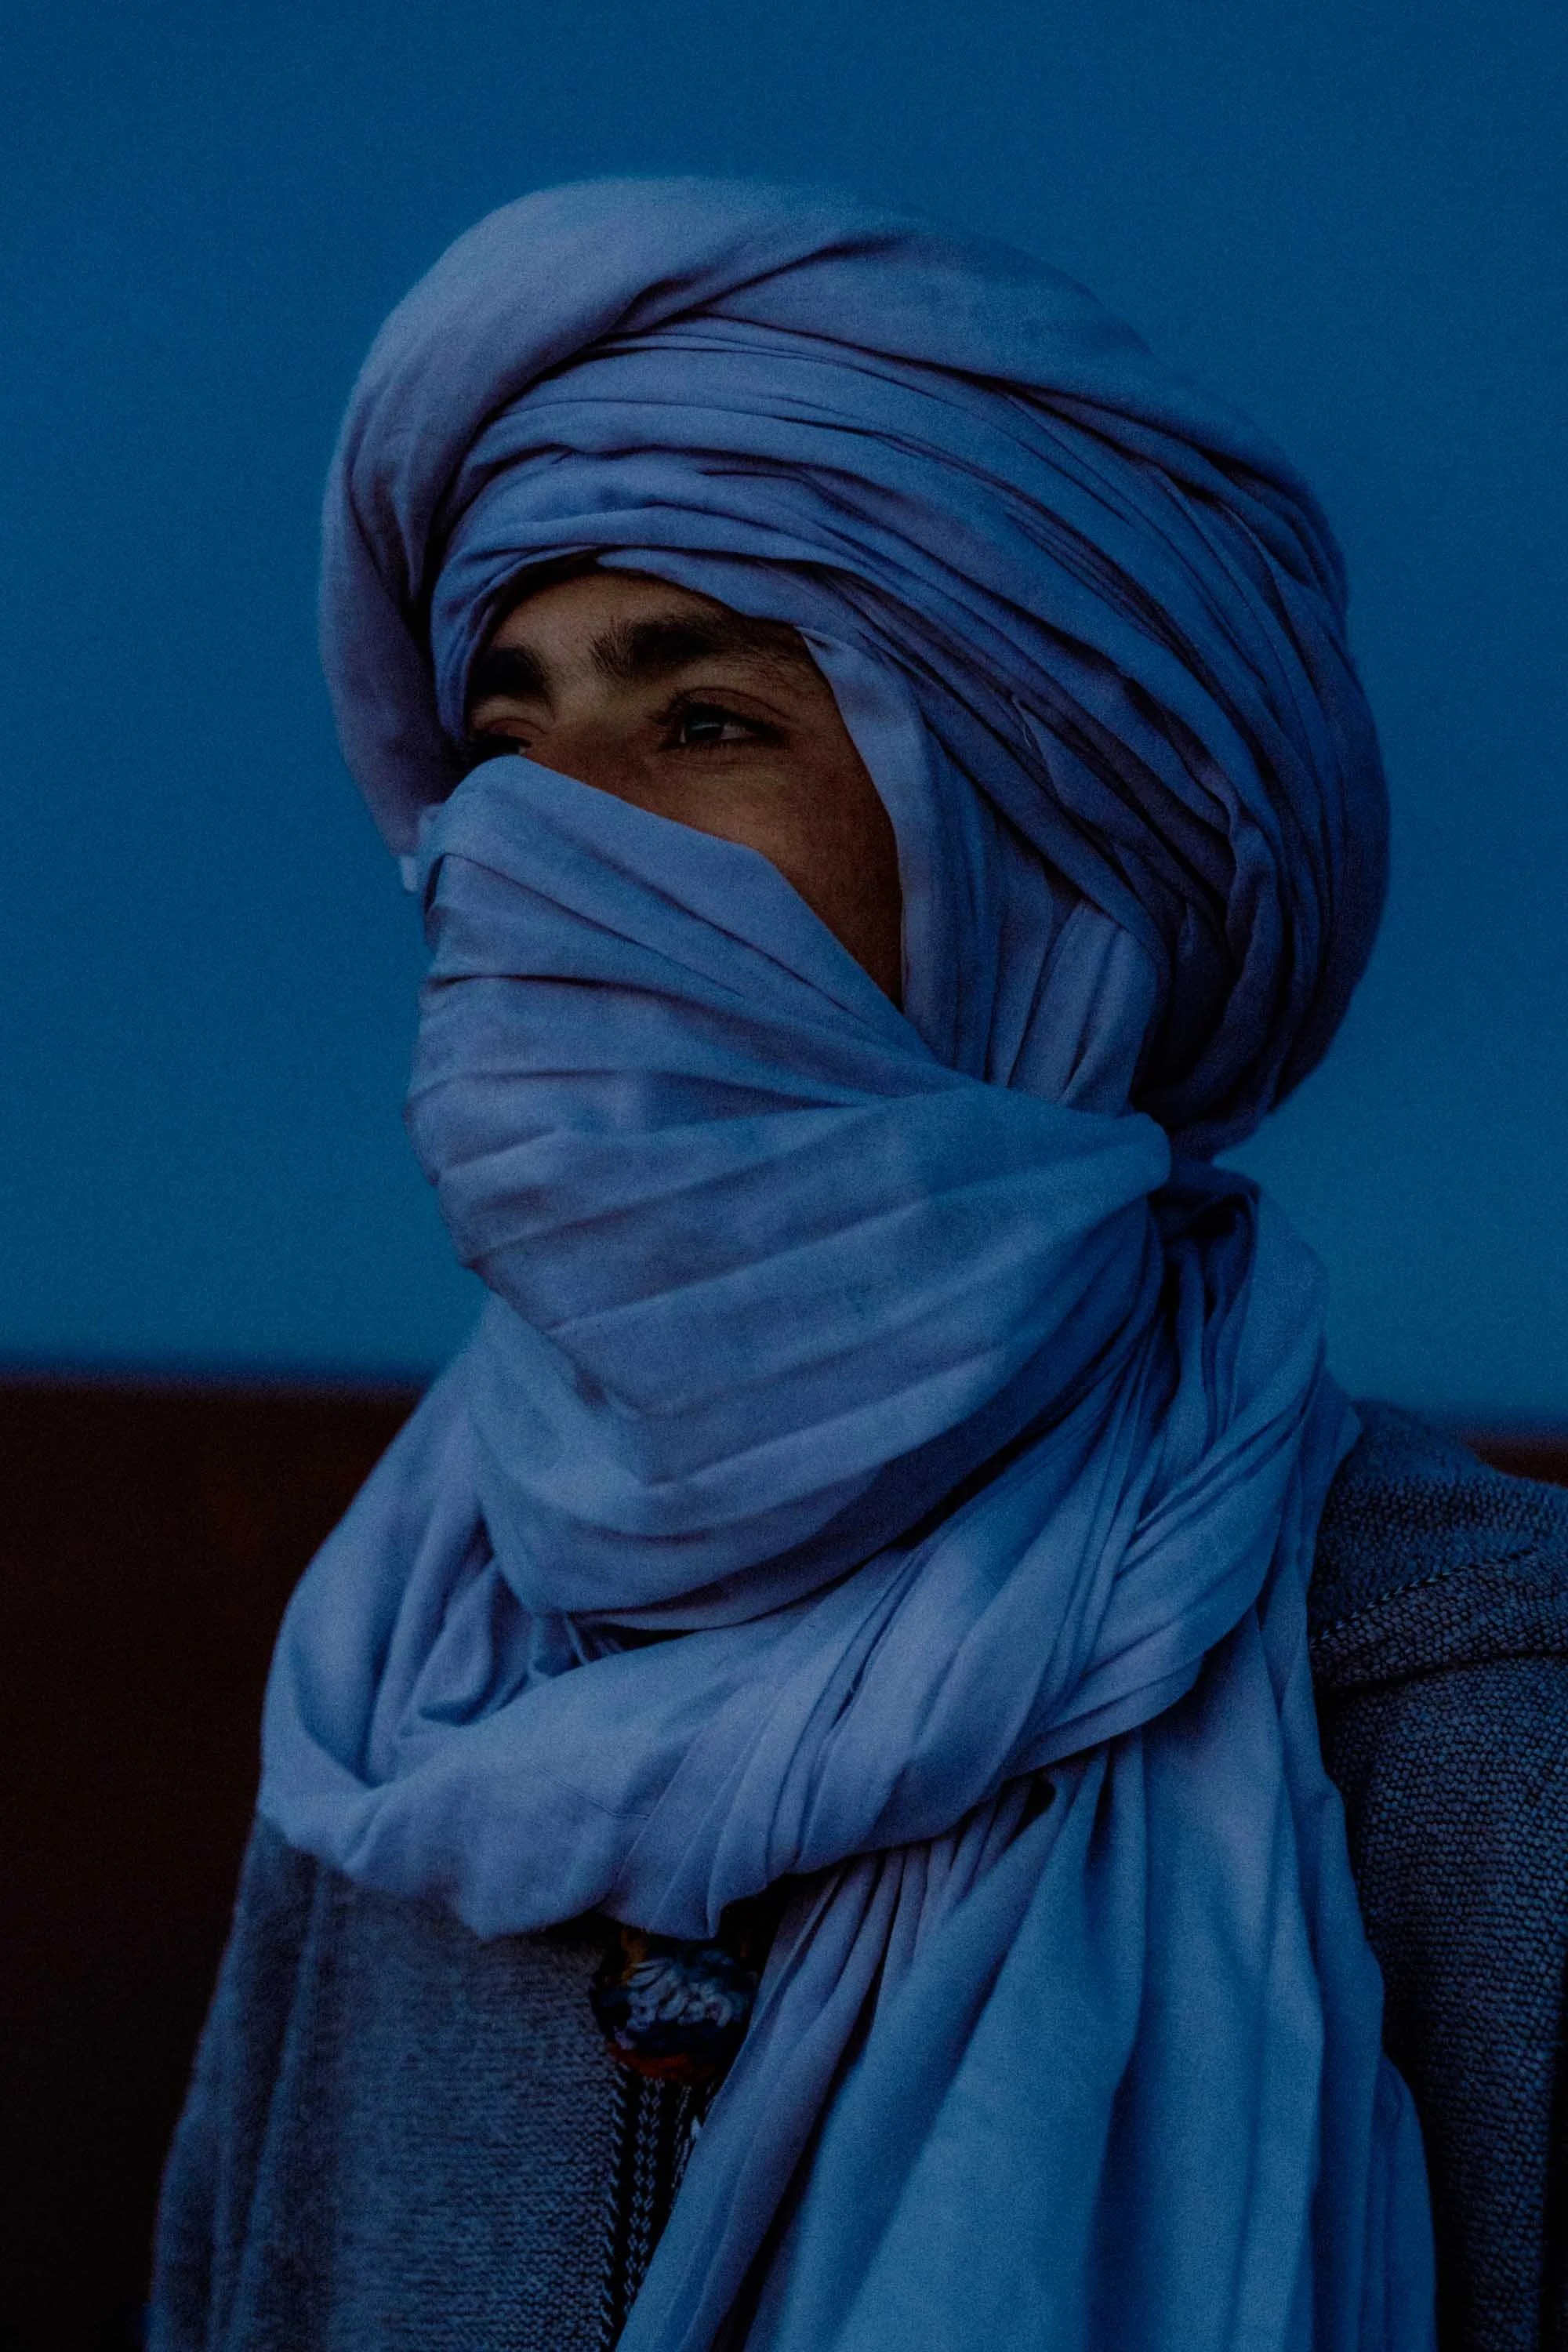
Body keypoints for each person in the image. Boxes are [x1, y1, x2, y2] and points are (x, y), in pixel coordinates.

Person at [148, 179, 1568, 2352]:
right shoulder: (413, 1680)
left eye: (705, 722)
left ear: (1041, 864)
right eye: (505, 744)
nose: (537, 840)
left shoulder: (1466, 1701)